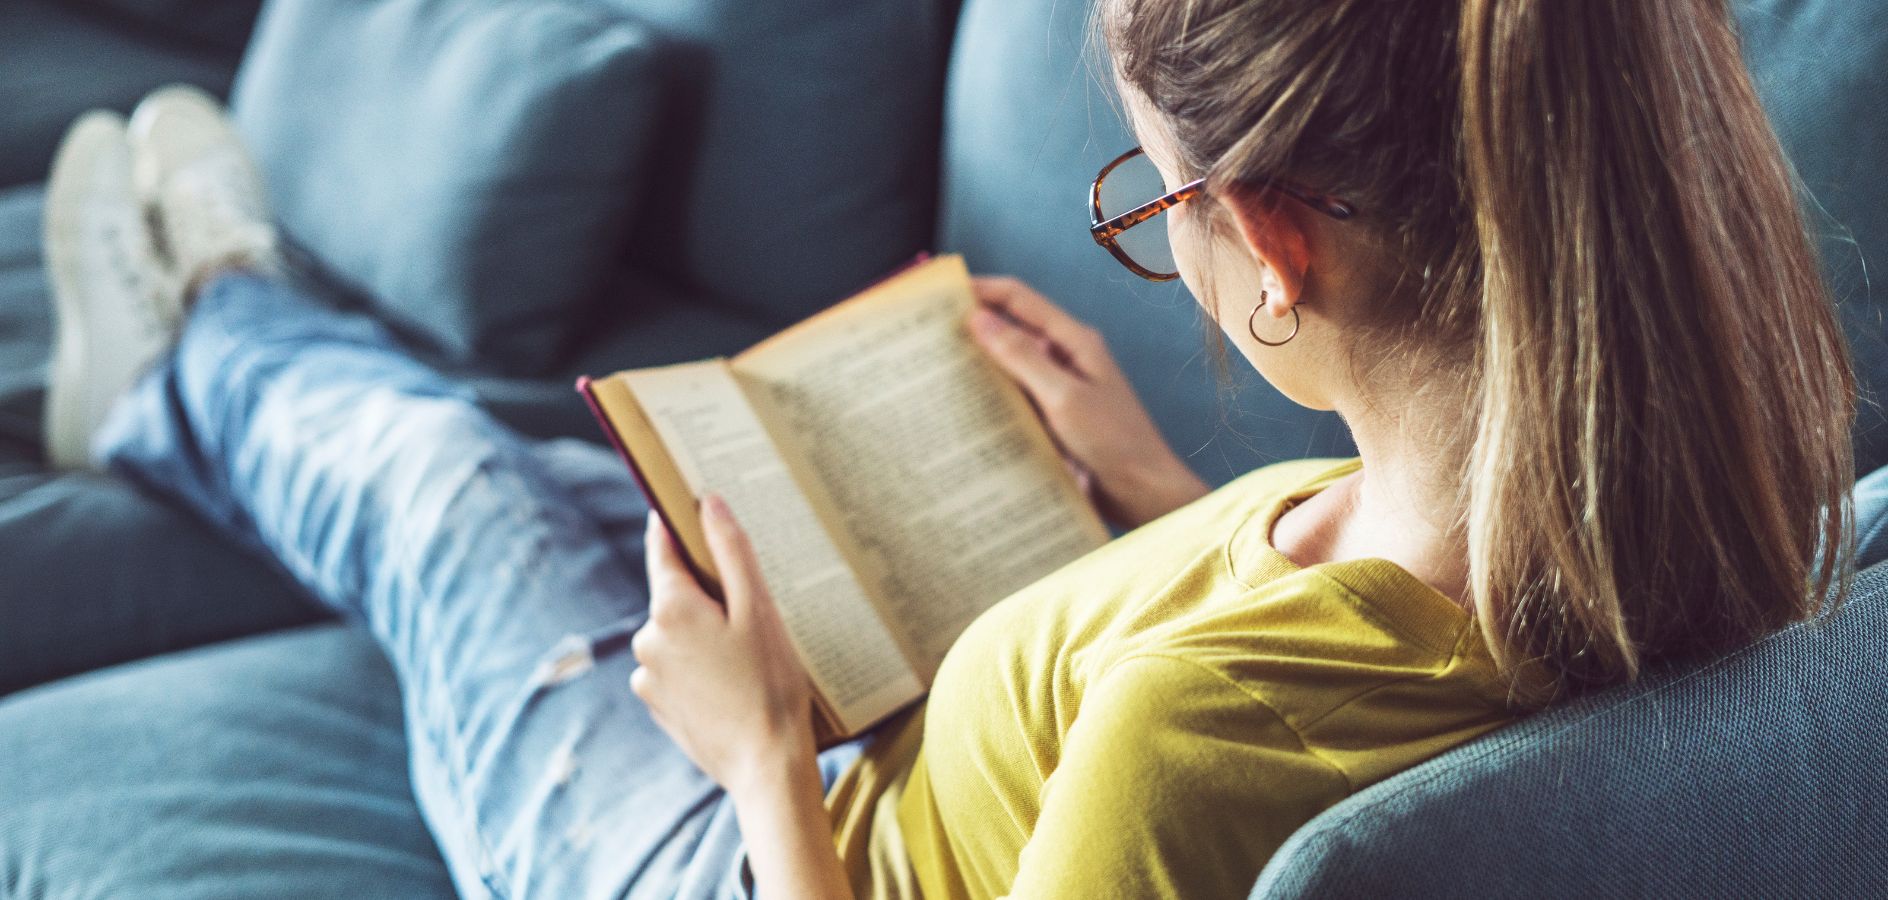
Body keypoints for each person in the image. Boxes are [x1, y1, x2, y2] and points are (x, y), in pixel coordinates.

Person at [35, 0, 1856, 896]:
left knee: (451, 496)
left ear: (1280, 249)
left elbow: (1229, 734)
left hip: (747, 856)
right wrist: (1162, 500)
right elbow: (1347, 661)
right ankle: (233, 326)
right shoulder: (1735, 513)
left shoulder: (1183, 743)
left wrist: (755, 757)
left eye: (1157, 205)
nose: (1158, 231)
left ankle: (189, 347)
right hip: (899, 771)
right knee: (597, 488)